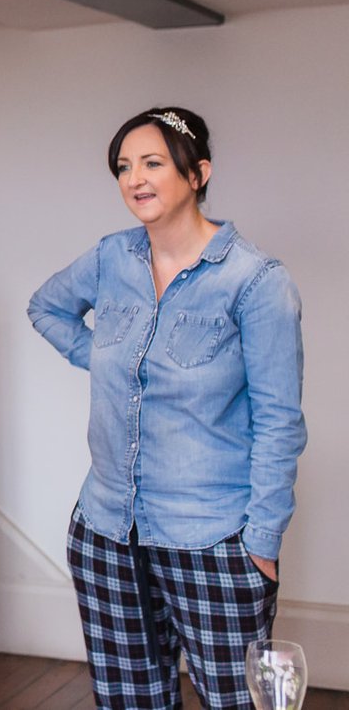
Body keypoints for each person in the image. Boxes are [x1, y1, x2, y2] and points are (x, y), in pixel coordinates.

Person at [28, 107, 306, 710]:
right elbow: (45, 307)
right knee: (130, 701)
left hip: (212, 534)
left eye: (153, 163)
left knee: (240, 702)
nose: (135, 179)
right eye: (124, 167)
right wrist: (109, 362)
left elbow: (280, 420)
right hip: (107, 529)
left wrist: (261, 541)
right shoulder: (110, 258)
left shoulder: (256, 282)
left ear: (198, 173)